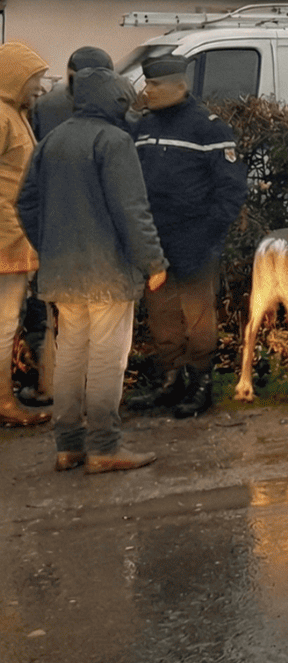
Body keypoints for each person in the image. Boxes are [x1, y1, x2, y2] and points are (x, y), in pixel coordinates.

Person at [16, 66, 168, 473]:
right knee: (106, 358)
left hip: (61, 272)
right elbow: (132, 211)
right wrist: (153, 261)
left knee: (70, 357)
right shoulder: (114, 141)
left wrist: (48, 245)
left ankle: (68, 447)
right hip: (108, 273)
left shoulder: (50, 141)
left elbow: (25, 204)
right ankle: (104, 445)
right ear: (113, 100)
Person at [131, 55, 249, 419]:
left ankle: (201, 384)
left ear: (179, 86)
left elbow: (230, 191)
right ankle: (171, 381)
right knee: (162, 315)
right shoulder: (142, 127)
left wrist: (206, 236)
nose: (146, 91)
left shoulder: (209, 129)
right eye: (146, 84)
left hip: (196, 241)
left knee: (197, 318)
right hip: (156, 242)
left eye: (154, 85)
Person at [19, 47, 114, 410]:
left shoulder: (47, 108)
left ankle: (51, 387)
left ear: (69, 72)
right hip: (101, 231)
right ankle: (99, 397)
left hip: (56, 227)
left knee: (54, 315)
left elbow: (32, 178)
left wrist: (38, 234)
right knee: (103, 320)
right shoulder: (116, 112)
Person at [0, 43, 50, 428]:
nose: (41, 88)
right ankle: (4, 402)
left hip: (14, 238)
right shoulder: (1, 118)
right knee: (3, 325)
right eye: (34, 79)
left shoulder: (13, 114)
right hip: (5, 242)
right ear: (15, 77)